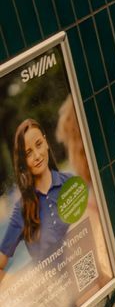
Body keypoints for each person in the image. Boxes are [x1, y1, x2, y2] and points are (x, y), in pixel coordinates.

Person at [2, 119, 73, 281]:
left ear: (46, 142)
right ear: (23, 162)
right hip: (57, 293)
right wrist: (25, 285)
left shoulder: (71, 184)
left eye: (39, 144)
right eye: (28, 153)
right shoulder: (22, 210)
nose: (36, 156)